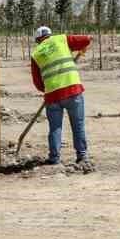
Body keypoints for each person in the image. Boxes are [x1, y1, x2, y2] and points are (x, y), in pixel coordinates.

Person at [29, 25, 92, 166]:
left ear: (38, 40)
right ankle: (82, 156)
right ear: (51, 35)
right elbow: (87, 39)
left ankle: (54, 158)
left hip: (52, 96)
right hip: (72, 90)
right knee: (78, 125)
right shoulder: (62, 39)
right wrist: (83, 46)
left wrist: (48, 89)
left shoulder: (36, 53)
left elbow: (37, 82)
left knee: (55, 128)